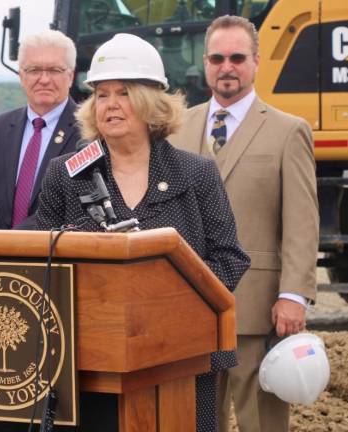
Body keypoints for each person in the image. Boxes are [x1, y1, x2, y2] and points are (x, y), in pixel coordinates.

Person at [35, 33, 250, 432]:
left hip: (183, 359)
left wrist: (170, 310)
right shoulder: (66, 174)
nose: (110, 105)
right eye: (101, 94)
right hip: (90, 361)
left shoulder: (196, 173)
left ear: (151, 103)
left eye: (123, 93)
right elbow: (39, 260)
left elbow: (229, 257)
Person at [168, 15, 319, 432]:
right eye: (217, 58)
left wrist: (294, 295)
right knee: (197, 420)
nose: (227, 67)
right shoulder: (177, 129)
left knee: (261, 422)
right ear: (205, 62)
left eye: (237, 57)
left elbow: (302, 222)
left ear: (256, 62)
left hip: (258, 307)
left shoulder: (289, 131)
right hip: (190, 306)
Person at [0, 29, 80, 229]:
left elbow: (77, 206)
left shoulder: (91, 133)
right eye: (34, 70)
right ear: (21, 75)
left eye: (54, 70)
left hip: (57, 254)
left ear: (71, 76)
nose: (43, 79)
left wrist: (14, 242)